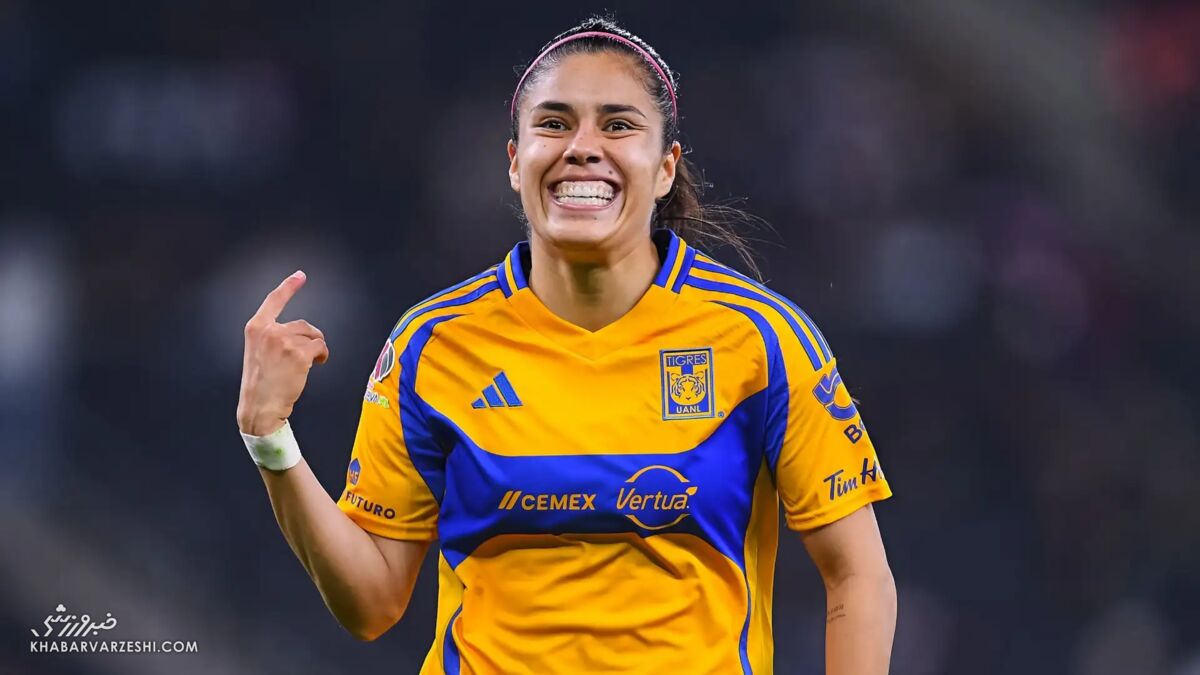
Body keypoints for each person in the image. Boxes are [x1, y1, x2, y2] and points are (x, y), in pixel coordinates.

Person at [237, 17, 896, 675]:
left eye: (618, 125)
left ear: (665, 168)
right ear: (514, 161)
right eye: (554, 124)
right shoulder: (431, 345)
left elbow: (858, 577)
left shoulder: (761, 339)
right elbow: (371, 604)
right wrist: (271, 438)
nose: (582, 147)